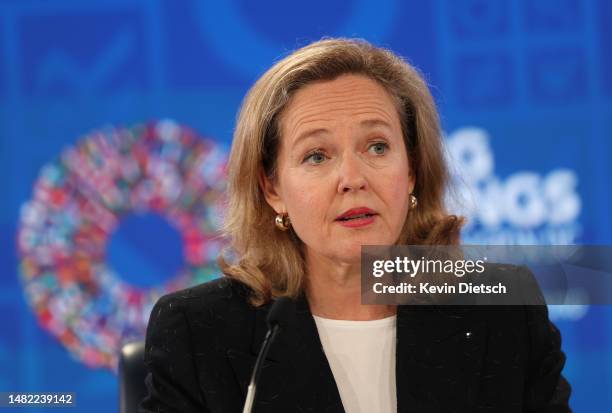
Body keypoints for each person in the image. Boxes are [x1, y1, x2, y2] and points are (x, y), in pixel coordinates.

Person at [139, 38, 571, 412]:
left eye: (377, 146)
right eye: (317, 156)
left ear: (412, 170)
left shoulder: (503, 313)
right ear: (272, 188)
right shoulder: (199, 332)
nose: (353, 178)